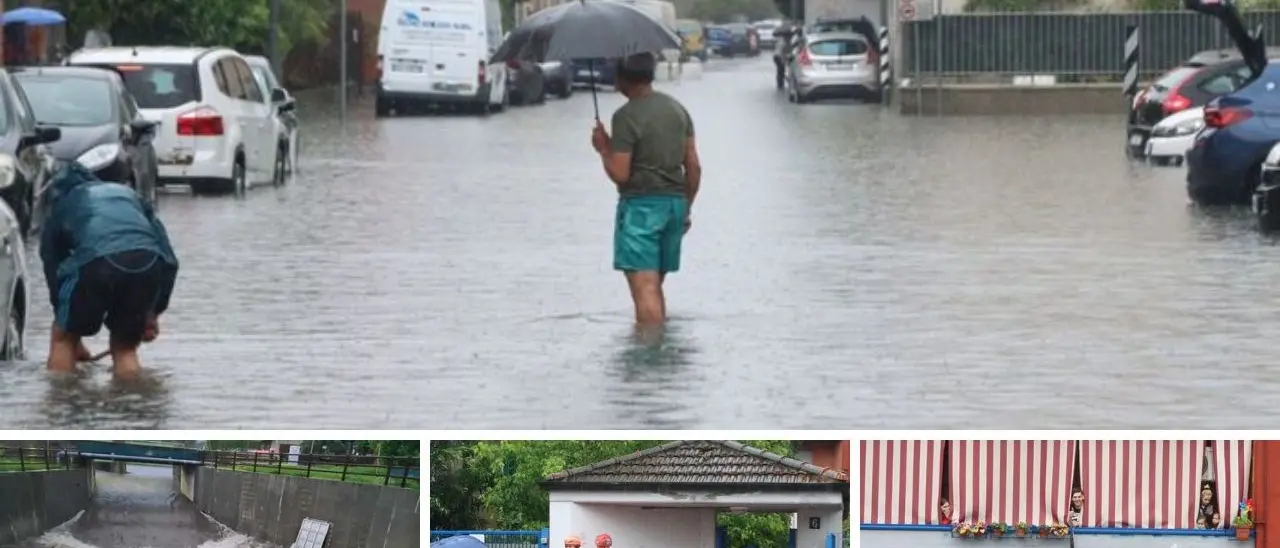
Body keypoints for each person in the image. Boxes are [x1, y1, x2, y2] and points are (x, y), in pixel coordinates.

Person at [590, 52, 702, 327]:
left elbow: (620, 173)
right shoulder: (678, 110)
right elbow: (694, 166)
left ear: (623, 79)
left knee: (644, 288)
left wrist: (604, 149)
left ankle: (649, 358)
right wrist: (686, 206)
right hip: (675, 207)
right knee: (654, 287)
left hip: (642, 209)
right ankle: (659, 351)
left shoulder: (626, 117)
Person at [40, 163, 178, 380]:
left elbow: (53, 267)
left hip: (97, 260)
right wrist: (153, 311)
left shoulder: (61, 206)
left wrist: (68, 324)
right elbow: (169, 260)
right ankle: (130, 405)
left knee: (62, 339)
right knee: (125, 348)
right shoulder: (129, 195)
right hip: (148, 261)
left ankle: (62, 405)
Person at [773, 22, 796, 89]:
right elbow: (783, 53)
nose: (791, 37)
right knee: (781, 70)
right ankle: (780, 84)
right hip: (778, 57)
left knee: (781, 70)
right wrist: (785, 61)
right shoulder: (783, 42)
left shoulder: (783, 41)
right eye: (790, 36)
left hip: (777, 56)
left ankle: (781, 83)